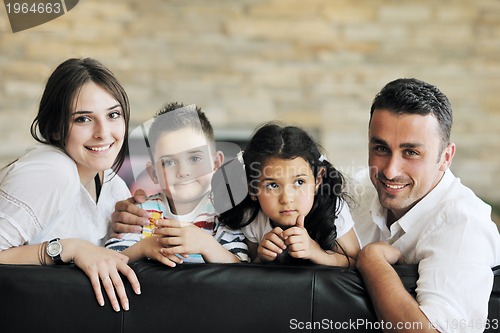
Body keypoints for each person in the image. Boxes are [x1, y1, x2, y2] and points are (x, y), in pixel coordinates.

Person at [353, 78, 500, 333]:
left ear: (445, 158)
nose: (390, 170)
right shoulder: (355, 192)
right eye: (381, 148)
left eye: (411, 152)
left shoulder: (464, 224)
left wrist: (371, 261)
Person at [0, 57, 140, 313]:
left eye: (113, 115)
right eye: (83, 119)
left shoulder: (111, 184)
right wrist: (67, 247)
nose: (103, 132)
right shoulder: (53, 171)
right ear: (55, 129)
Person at [105, 102, 249, 265]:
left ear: (216, 163)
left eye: (195, 158)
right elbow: (110, 260)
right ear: (154, 173)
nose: (183, 172)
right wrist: (143, 247)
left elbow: (240, 265)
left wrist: (206, 245)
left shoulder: (225, 212)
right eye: (169, 162)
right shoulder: (141, 213)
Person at [219, 123, 360, 266]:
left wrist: (314, 251)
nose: (286, 199)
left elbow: (356, 263)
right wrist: (262, 258)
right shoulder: (253, 217)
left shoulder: (333, 211)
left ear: (317, 180)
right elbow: (247, 273)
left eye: (299, 182)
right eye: (272, 185)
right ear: (253, 189)